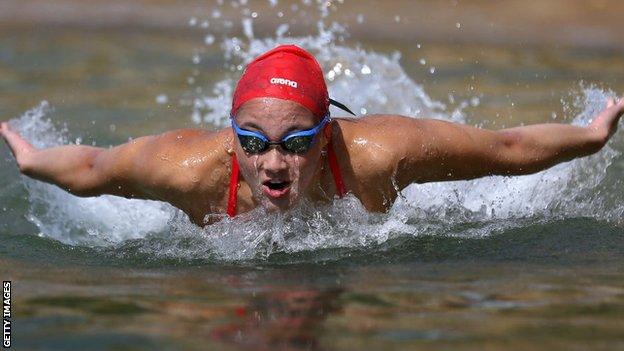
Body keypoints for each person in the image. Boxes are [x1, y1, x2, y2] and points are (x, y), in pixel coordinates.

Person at [1, 45, 623, 226]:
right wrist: (30, 161)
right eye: (254, 141)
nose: (273, 162)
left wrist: (590, 136)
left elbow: (504, 150)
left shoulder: (378, 155)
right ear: (232, 135)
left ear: (327, 137)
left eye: (295, 143)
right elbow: (91, 169)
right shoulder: (192, 170)